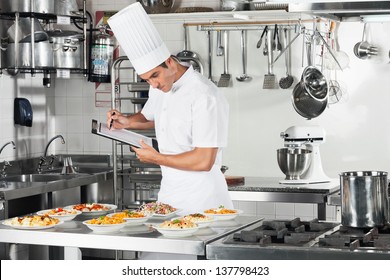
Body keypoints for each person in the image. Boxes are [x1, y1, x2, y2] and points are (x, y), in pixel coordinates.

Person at [107, 2, 233, 216]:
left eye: (154, 76)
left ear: (170, 62)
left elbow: (204, 160)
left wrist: (156, 158)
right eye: (146, 80)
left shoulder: (205, 96)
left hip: (203, 202)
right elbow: (150, 118)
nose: (153, 85)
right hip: (169, 197)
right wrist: (127, 121)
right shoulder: (160, 88)